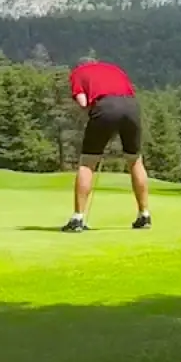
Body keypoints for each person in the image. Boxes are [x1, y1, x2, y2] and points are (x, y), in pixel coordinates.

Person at [61, 56, 151, 232]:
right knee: (135, 160)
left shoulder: (78, 73)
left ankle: (77, 218)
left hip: (105, 107)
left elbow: (83, 102)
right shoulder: (113, 68)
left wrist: (96, 118)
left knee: (87, 162)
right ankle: (144, 215)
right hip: (131, 107)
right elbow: (128, 92)